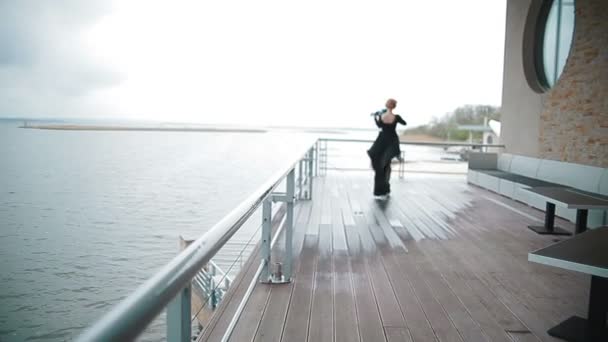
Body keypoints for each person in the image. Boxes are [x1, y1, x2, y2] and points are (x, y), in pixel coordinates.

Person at [367, 98, 406, 198]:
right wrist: (397, 119)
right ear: (394, 106)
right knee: (387, 165)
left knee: (380, 165)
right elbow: (404, 123)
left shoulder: (382, 115)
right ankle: (386, 189)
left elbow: (379, 125)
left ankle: (379, 191)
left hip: (382, 140)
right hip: (391, 140)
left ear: (386, 105)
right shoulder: (396, 117)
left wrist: (376, 117)